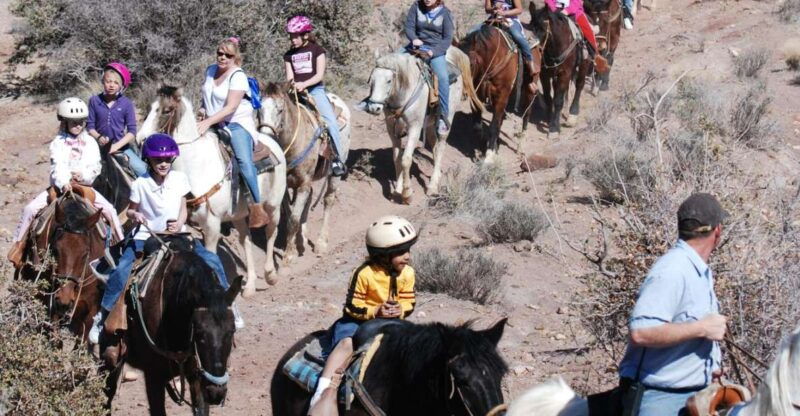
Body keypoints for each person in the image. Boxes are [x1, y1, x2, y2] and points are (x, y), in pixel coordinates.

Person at [88, 134, 243, 344]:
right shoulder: (140, 184)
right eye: (158, 160)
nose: (163, 164)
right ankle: (103, 315)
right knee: (122, 269)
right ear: (148, 160)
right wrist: (137, 215)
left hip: (178, 234)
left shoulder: (180, 179)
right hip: (147, 235)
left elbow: (183, 209)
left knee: (213, 260)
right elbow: (131, 211)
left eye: (168, 159)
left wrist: (179, 223)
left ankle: (229, 304)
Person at [617, 193, 728, 416]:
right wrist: (702, 328)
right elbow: (641, 332)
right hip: (659, 398)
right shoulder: (673, 270)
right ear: (717, 231)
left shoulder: (698, 270)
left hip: (694, 395)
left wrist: (711, 367)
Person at [308, 216, 418, 416]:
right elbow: (352, 306)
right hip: (357, 321)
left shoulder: (408, 273)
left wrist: (400, 310)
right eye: (401, 252)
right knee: (346, 344)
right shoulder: (364, 273)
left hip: (391, 323)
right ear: (383, 255)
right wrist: (375, 311)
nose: (407, 256)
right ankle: (322, 392)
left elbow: (409, 301)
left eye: (408, 250)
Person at [6, 97, 124, 268]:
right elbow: (57, 166)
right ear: (64, 122)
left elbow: (95, 166)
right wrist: (64, 182)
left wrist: (83, 176)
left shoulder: (91, 142)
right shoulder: (58, 143)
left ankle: (120, 249)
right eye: (73, 122)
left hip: (84, 186)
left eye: (81, 122)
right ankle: (19, 247)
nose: (78, 125)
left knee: (110, 211)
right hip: (61, 187)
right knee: (30, 209)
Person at [197, 37, 263, 204]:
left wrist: (207, 122)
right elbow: (207, 94)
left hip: (235, 124)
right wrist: (203, 108)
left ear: (235, 57)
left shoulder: (238, 76)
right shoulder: (210, 70)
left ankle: (257, 205)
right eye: (220, 53)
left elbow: (231, 108)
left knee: (244, 163)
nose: (223, 57)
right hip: (212, 122)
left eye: (228, 55)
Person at [283, 16, 347, 177]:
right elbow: (289, 76)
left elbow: (319, 75)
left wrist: (304, 84)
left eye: (295, 36)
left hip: (315, 91)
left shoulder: (317, 50)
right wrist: (293, 85)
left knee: (330, 122)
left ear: (305, 35)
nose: (292, 39)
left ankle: (337, 159)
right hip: (295, 91)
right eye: (291, 36)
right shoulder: (288, 55)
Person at [87, 62, 148, 177]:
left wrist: (115, 146)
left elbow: (132, 131)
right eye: (108, 81)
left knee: (143, 170)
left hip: (121, 147)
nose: (111, 85)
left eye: (116, 83)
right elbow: (90, 126)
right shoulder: (94, 100)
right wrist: (99, 137)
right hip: (97, 146)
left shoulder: (126, 103)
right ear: (103, 82)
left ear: (121, 86)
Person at [404, 0, 455, 136]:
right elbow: (409, 27)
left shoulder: (445, 13)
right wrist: (414, 38)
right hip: (414, 47)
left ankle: (443, 116)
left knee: (443, 78)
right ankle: (378, 100)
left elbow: (447, 38)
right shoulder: (416, 6)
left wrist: (434, 52)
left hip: (434, 50)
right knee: (391, 63)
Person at [483, 0, 540, 93]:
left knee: (518, 37)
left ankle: (530, 64)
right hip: (493, 19)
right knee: (475, 32)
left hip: (510, 20)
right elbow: (487, 9)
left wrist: (504, 13)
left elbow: (519, 9)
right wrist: (494, 9)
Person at [545, 0, 610, 73]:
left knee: (587, 31)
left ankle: (595, 55)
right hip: (553, 11)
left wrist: (567, 10)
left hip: (573, 12)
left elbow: (576, 2)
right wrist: (554, 9)